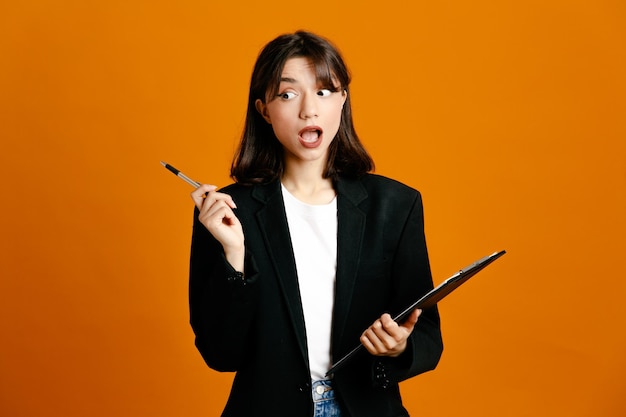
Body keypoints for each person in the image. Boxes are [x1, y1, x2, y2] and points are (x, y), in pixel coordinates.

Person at [189, 30, 443, 417]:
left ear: (343, 99)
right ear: (264, 110)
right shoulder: (226, 212)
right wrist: (234, 254)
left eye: (324, 91)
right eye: (287, 94)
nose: (309, 109)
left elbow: (427, 335)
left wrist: (399, 346)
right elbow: (221, 354)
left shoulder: (396, 205)